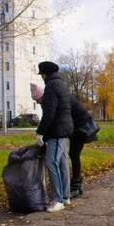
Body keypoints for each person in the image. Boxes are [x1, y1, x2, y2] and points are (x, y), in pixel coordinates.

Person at [31, 83, 96, 198]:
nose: (37, 102)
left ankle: (75, 186)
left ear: (42, 95)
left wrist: (43, 135)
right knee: (73, 155)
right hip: (77, 126)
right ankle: (75, 186)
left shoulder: (52, 100)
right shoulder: (56, 98)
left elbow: (51, 118)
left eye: (37, 99)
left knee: (74, 154)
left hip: (81, 126)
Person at [34, 61, 73, 213]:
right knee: (62, 163)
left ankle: (58, 200)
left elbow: (49, 113)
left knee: (51, 163)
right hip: (64, 129)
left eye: (42, 74)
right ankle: (66, 196)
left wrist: (41, 132)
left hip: (57, 131)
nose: (42, 77)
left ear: (45, 74)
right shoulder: (62, 84)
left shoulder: (51, 87)